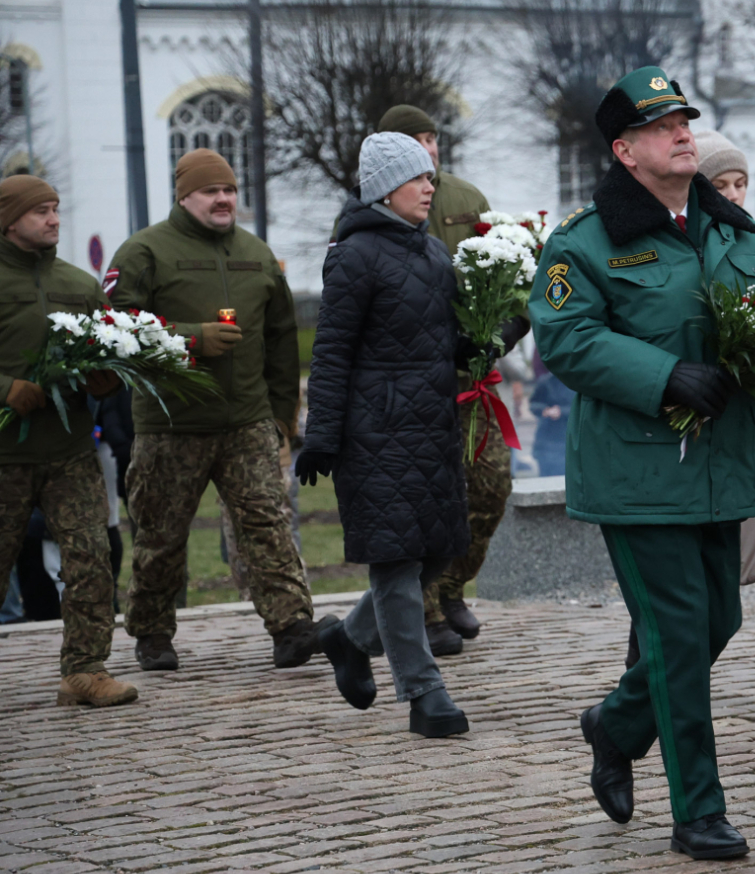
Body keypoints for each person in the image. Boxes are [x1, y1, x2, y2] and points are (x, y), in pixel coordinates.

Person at [532, 67, 755, 859]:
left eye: (686, 119)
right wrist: (665, 375)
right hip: (639, 471)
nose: (682, 132)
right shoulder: (586, 239)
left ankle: (615, 723)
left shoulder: (734, 229)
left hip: (722, 460)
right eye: (662, 123)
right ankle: (698, 808)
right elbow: (569, 340)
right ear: (625, 149)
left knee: (720, 620)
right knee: (677, 632)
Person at [618, 129, 755, 710]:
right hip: (703, 415)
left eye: (740, 182)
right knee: (678, 570)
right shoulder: (674, 247)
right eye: (721, 184)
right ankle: (644, 676)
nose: (734, 193)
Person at [109, 149, 321, 672]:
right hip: (171, 425)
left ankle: (292, 627)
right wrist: (191, 339)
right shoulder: (144, 251)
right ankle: (153, 631)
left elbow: (279, 342)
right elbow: (115, 328)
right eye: (211, 191)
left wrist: (279, 417)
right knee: (160, 536)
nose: (224, 198)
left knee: (267, 525)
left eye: (229, 190)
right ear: (184, 196)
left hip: (247, 422)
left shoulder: (257, 253)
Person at [299, 132, 474, 738]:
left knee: (435, 550)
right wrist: (318, 435)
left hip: (431, 427)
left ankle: (350, 640)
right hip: (376, 432)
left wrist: (480, 338)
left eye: (431, 176)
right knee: (396, 561)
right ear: (383, 189)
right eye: (418, 178)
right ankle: (424, 693)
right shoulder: (353, 256)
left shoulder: (432, 254)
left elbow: (437, 338)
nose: (430, 187)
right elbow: (331, 353)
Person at [369, 105, 519, 658]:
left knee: (490, 487)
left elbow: (504, 271)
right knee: (424, 501)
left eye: (432, 138)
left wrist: (503, 328)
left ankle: (451, 587)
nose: (427, 149)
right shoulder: (372, 207)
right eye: (414, 140)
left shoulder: (464, 196)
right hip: (412, 384)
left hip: (471, 378)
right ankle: (425, 609)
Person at [0, 176, 135, 706]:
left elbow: (106, 355)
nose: (54, 219)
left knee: (91, 558)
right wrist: (6, 389)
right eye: (41, 212)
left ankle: (84, 669)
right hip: (4, 456)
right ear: (9, 221)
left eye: (56, 209)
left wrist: (107, 382)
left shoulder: (80, 285)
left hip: (71, 452)